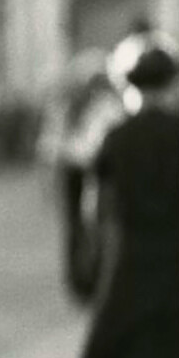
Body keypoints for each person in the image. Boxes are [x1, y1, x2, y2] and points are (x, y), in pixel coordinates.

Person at [79, 31, 179, 358]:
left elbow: (94, 209)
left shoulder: (116, 138)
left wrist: (97, 259)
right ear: (172, 82)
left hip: (134, 259)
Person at [35, 50, 125, 303]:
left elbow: (50, 148)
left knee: (89, 226)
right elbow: (50, 148)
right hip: (80, 171)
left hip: (88, 170)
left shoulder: (97, 106)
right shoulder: (72, 108)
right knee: (80, 227)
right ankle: (84, 279)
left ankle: (90, 277)